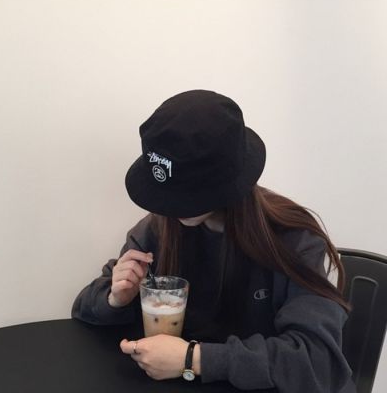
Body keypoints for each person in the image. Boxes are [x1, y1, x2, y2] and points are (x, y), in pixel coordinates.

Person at [72, 90, 356, 392]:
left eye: (186, 194)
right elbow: (84, 307)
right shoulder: (160, 227)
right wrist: (116, 298)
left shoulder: (293, 238)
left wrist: (194, 359)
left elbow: (318, 360)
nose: (173, 207)